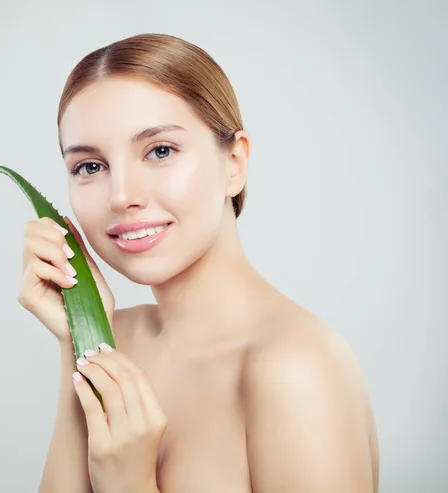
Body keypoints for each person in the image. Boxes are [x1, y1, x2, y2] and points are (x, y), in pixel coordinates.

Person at [20, 33, 379, 493]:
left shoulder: (295, 369)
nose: (122, 195)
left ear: (234, 163)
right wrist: (80, 333)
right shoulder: (115, 339)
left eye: (160, 151)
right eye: (90, 166)